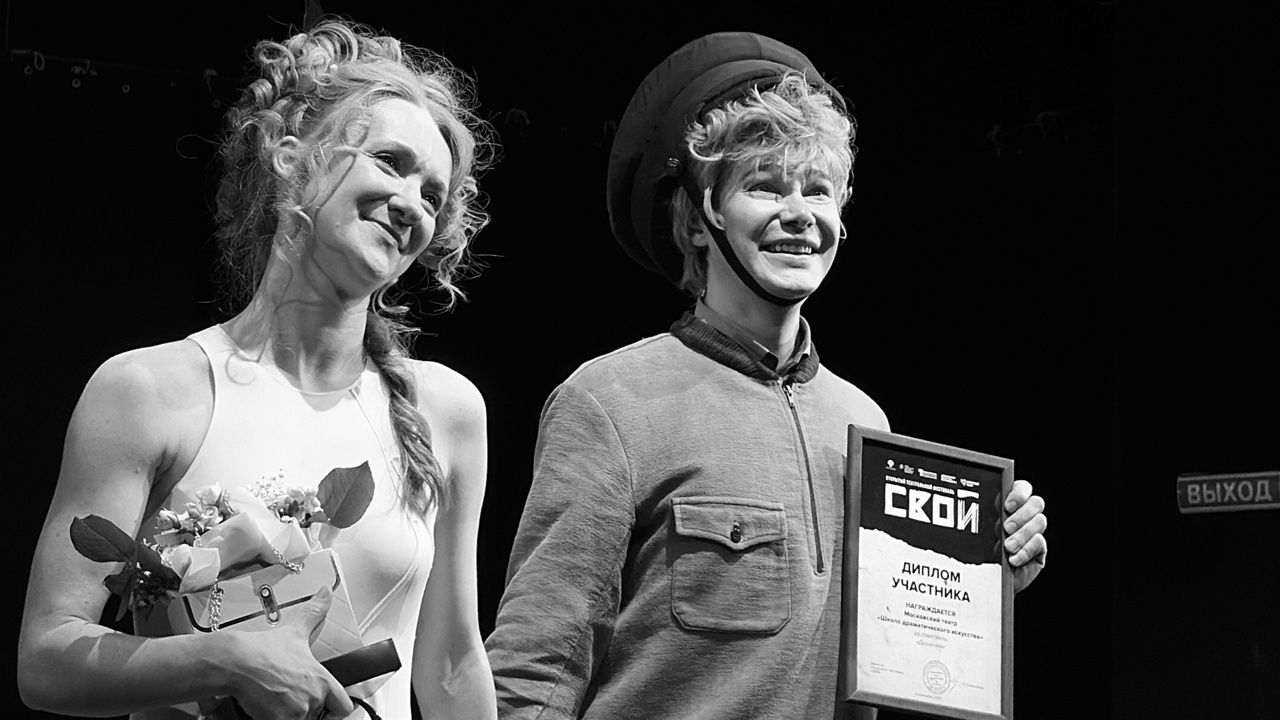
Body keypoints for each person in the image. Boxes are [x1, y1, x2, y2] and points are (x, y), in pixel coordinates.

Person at [484, 32, 1048, 719]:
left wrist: (980, 580)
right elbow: (536, 671)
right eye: (764, 186)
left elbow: (898, 659)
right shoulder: (610, 401)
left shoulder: (864, 422)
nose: (800, 213)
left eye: (819, 190)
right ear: (702, 218)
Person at [18, 20, 497, 720]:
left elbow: (452, 664)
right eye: (390, 162)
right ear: (291, 158)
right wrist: (230, 660)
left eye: (432, 195)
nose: (410, 204)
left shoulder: (446, 412)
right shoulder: (150, 391)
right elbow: (47, 658)